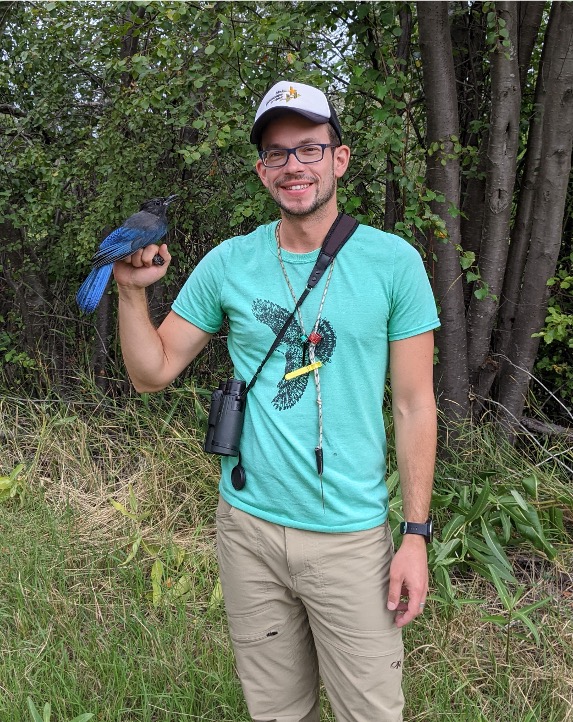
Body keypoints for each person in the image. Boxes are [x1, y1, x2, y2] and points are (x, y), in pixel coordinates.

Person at [113, 80, 440, 722]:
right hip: (248, 531)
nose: (294, 165)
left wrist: (415, 535)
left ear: (338, 158)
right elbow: (153, 372)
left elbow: (413, 406)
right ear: (263, 171)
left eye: (309, 149)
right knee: (276, 711)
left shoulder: (393, 263)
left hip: (350, 538)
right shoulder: (229, 264)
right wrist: (130, 290)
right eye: (277, 153)